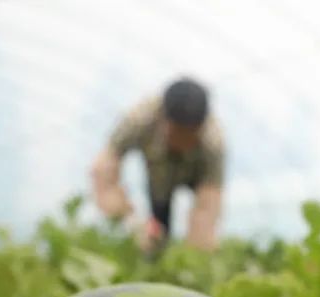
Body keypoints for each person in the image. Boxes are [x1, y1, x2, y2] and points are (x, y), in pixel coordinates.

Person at [91, 77, 224, 255]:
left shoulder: (213, 142)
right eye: (178, 133)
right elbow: (104, 169)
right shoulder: (140, 119)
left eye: (190, 135)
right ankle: (154, 255)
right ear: (164, 119)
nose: (183, 142)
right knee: (158, 231)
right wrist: (130, 221)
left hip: (195, 174)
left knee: (203, 232)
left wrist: (196, 252)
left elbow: (210, 200)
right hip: (159, 177)